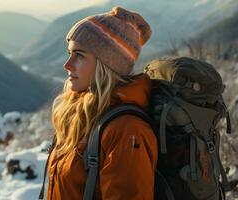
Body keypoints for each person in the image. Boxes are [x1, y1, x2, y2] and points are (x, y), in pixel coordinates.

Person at [43, 6, 157, 200]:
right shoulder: (83, 114)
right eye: (69, 53)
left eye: (79, 55)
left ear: (107, 65)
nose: (67, 64)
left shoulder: (126, 131)